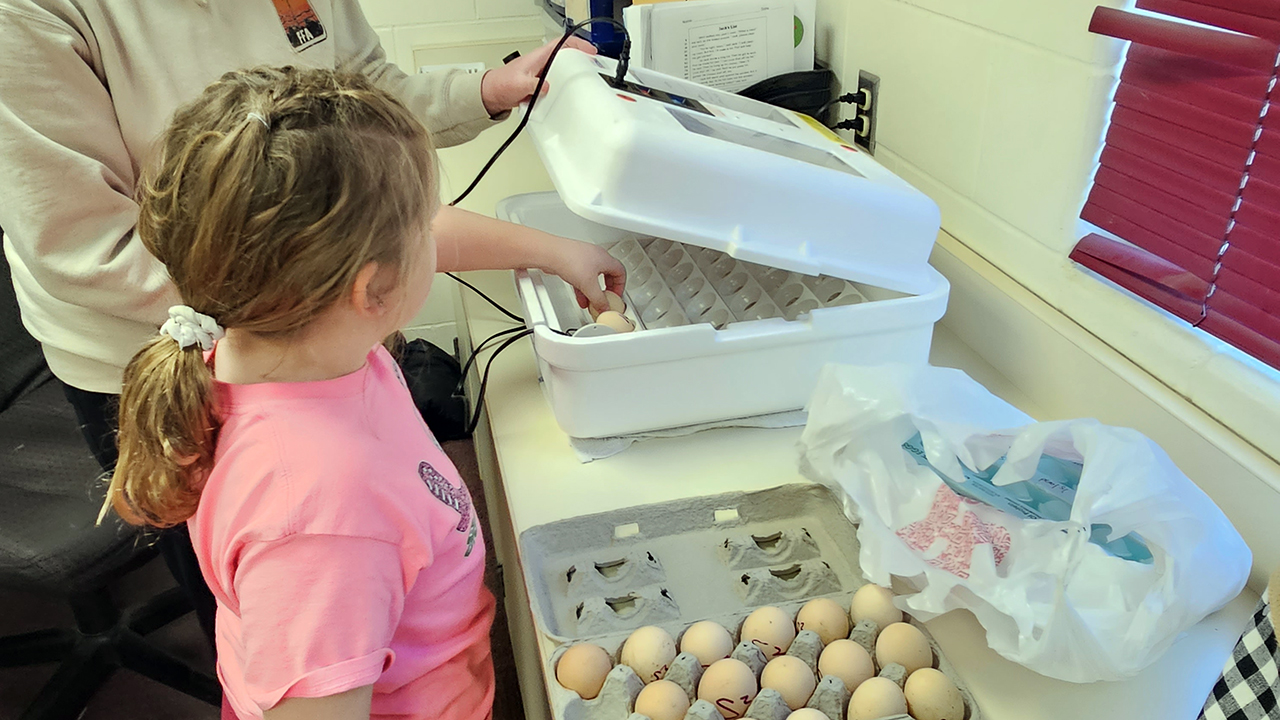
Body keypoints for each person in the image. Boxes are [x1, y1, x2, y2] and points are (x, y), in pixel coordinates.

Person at [0, 0, 621, 647]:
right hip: (157, 340)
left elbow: (374, 111)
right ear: (367, 286)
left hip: (291, 329)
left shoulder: (347, 354)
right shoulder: (308, 512)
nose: (428, 237)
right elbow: (83, 250)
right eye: (410, 236)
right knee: (264, 613)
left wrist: (552, 243)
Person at [105, 65, 569, 720]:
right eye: (422, 226)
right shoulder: (320, 521)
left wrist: (561, 254)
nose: (433, 237)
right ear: (372, 289)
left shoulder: (280, 351)